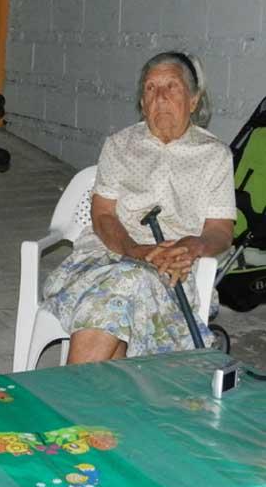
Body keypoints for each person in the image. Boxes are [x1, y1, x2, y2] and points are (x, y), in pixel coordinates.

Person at [41, 51, 236, 363]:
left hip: (173, 270)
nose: (160, 96)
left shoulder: (215, 156)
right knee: (126, 281)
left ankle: (74, 391)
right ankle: (87, 389)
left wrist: (191, 246)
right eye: (150, 88)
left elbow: (221, 231)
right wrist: (135, 251)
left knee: (117, 297)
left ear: (193, 100)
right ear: (142, 103)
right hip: (107, 256)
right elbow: (102, 215)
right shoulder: (119, 145)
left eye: (171, 86)